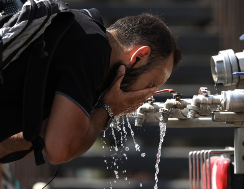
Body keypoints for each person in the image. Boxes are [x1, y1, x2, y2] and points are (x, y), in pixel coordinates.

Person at [0, 9, 182, 165]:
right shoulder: (93, 45)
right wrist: (108, 109)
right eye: (151, 85)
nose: (147, 95)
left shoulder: (81, 32)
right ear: (139, 56)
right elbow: (59, 150)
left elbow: (13, 142)